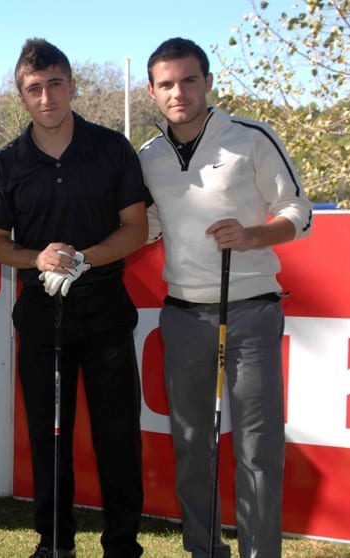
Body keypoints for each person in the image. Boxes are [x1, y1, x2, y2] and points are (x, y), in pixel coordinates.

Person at [0, 38, 148, 558]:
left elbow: (135, 228)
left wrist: (82, 259)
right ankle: (55, 544)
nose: (46, 97)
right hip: (40, 319)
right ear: (21, 96)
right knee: (50, 437)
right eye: (34, 88)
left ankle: (122, 546)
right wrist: (39, 259)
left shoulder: (111, 148)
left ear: (72, 87)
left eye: (54, 85)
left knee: (117, 436)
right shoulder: (9, 162)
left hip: (106, 315)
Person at [139, 38, 313, 558]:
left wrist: (253, 235)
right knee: (193, 446)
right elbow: (146, 225)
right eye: (167, 84)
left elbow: (299, 211)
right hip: (183, 315)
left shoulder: (251, 137)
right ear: (152, 92)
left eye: (189, 80)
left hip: (251, 311)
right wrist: (81, 247)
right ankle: (205, 550)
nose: (179, 92)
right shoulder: (147, 157)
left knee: (258, 449)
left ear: (207, 82)